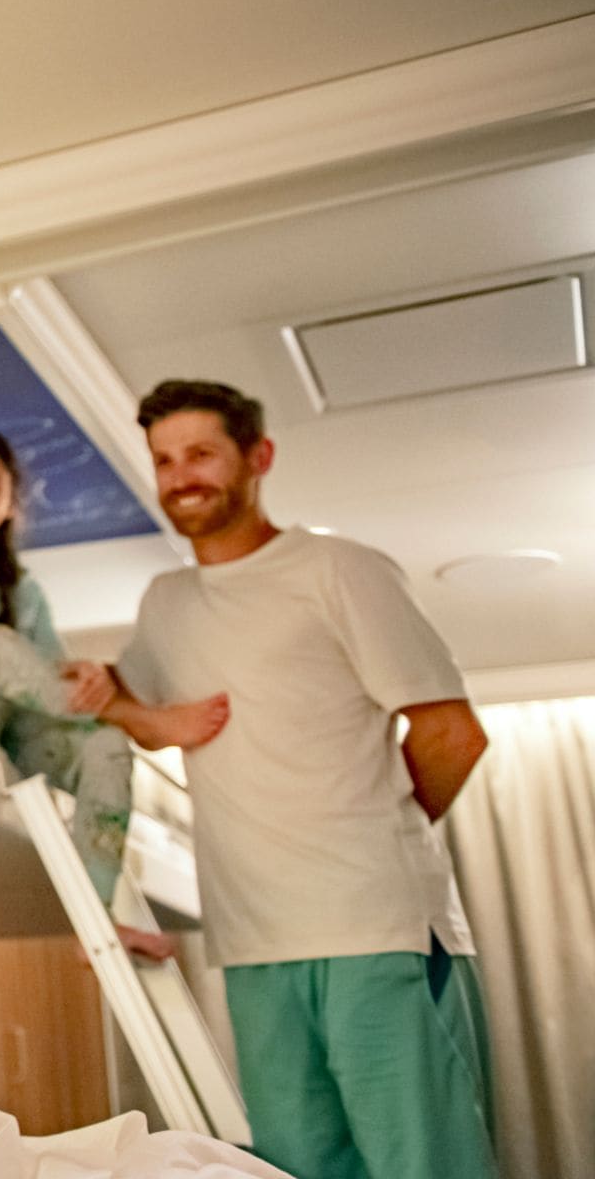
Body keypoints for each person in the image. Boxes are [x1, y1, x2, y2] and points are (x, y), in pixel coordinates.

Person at [82, 379, 496, 1179]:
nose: (181, 477)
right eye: (164, 461)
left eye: (201, 454)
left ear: (258, 457)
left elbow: (453, 735)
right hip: (252, 945)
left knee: (425, 1167)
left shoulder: (339, 569)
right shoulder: (166, 603)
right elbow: (124, 710)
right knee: (296, 1170)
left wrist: (369, 836)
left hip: (374, 930)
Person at [0, 428, 228, 959]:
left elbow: (48, 673)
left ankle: (94, 919)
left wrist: (86, 677)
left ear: (10, 503)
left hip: (11, 734)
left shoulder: (22, 589)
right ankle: (141, 718)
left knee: (107, 747)